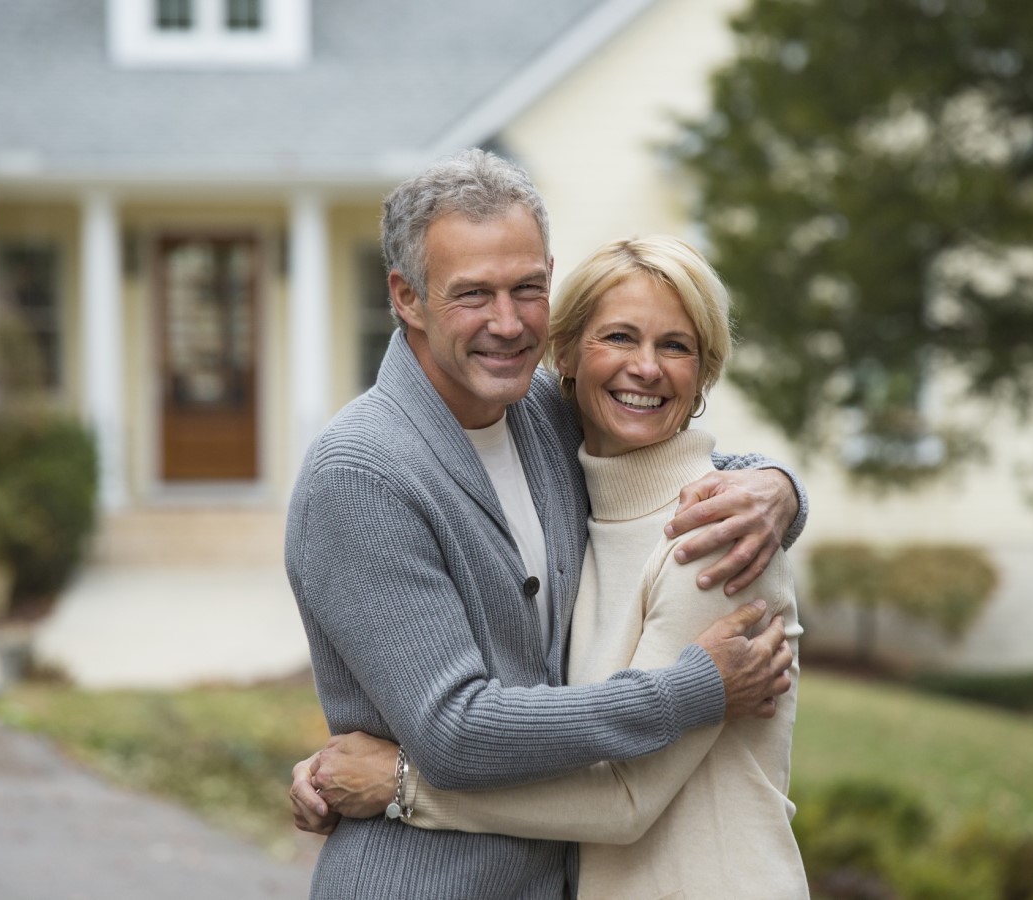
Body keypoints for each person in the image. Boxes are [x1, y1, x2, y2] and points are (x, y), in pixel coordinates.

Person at [285, 148, 808, 898]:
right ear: (407, 296)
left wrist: (779, 487)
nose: (507, 323)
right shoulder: (363, 473)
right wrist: (696, 689)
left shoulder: (537, 413)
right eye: (473, 294)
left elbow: (651, 447)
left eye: (528, 289)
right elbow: (456, 733)